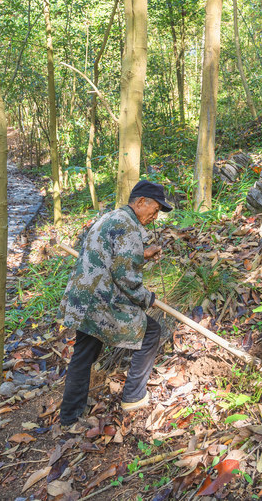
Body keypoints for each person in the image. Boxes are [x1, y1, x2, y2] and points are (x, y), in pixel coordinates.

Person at [57, 180, 173, 428]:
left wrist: (143, 254)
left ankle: (69, 416)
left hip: (84, 299)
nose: (155, 215)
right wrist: (146, 298)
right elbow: (125, 276)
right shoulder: (128, 226)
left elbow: (113, 255)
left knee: (83, 354)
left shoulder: (113, 217)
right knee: (151, 332)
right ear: (140, 202)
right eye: (154, 209)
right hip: (100, 302)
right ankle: (133, 396)